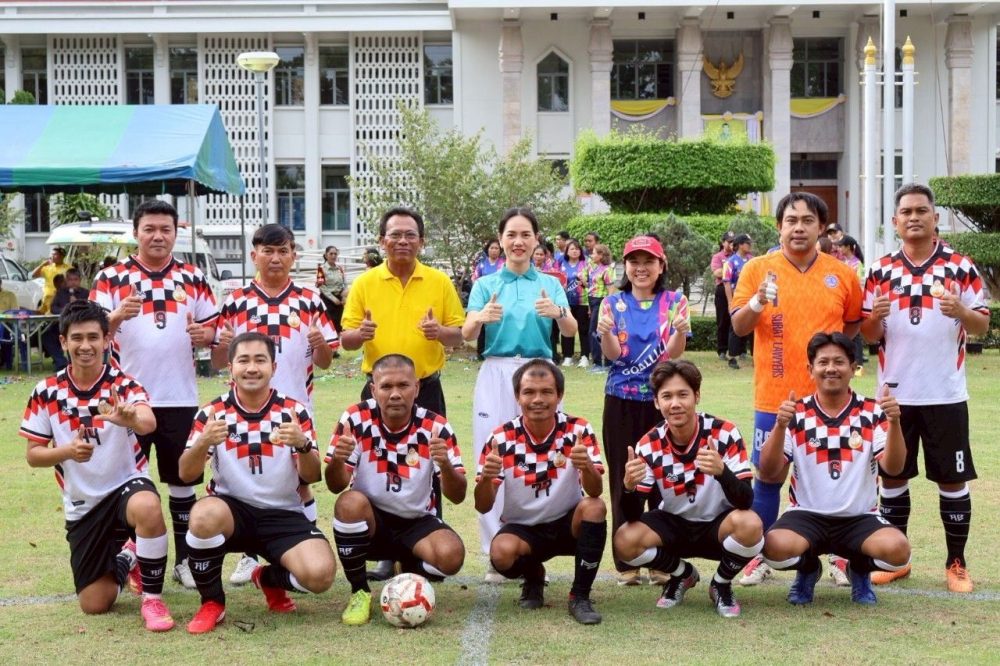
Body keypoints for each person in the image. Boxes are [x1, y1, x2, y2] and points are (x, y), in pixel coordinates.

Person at [860, 183, 990, 593]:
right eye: (906, 212)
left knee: (952, 480)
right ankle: (895, 560)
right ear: (895, 221)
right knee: (891, 477)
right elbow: (867, 335)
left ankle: (956, 563)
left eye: (921, 211)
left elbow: (982, 326)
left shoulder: (959, 267)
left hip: (945, 394)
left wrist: (961, 310)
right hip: (894, 397)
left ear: (935, 218)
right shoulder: (880, 271)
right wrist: (874, 317)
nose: (914, 217)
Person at [729, 191, 863, 587]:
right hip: (774, 394)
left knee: (836, 476)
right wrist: (758, 302)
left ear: (821, 228)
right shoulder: (757, 269)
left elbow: (852, 324)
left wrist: (831, 361)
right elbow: (739, 326)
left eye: (807, 220)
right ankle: (760, 555)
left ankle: (841, 556)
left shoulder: (842, 274)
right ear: (779, 226)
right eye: (791, 220)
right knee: (769, 474)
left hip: (830, 400)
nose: (799, 227)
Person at [19, 300, 174, 631]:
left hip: (125, 485)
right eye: (77, 338)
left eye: (93, 337)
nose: (85, 346)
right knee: (94, 604)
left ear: (106, 340)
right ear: (63, 342)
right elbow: (34, 454)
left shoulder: (122, 384)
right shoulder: (46, 391)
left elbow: (148, 421)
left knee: (147, 505)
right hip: (84, 503)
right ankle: (128, 557)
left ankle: (152, 598)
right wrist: (68, 451)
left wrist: (131, 418)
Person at [90, 199, 218, 589]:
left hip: (180, 397)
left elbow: (214, 331)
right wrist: (115, 317)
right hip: (128, 402)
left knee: (182, 481)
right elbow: (90, 335)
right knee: (126, 483)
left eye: (165, 229)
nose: (157, 236)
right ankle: (125, 557)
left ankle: (185, 562)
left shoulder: (193, 277)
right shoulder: (111, 277)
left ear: (176, 233)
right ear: (136, 232)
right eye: (149, 229)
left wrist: (205, 335)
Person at [178, 332, 334, 634]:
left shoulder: (293, 411)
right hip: (231, 512)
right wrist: (203, 443)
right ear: (231, 368)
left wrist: (302, 445)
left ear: (273, 367)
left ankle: (266, 578)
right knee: (203, 515)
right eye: (244, 361)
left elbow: (312, 476)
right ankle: (212, 602)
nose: (251, 368)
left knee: (320, 576)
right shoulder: (212, 413)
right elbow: (186, 474)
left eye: (260, 360)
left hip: (283, 513)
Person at [340, 206, 465, 579]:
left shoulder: (438, 281)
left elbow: (459, 335)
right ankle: (384, 552)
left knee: (429, 466)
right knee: (374, 467)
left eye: (410, 234)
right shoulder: (365, 283)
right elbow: (345, 339)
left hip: (425, 387)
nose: (402, 241)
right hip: (378, 392)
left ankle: (422, 548)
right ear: (382, 241)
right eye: (394, 234)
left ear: (421, 241)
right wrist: (360, 335)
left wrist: (439, 333)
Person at [212, 223, 339, 584]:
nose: (275, 258)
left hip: (295, 410)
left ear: (293, 256)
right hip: (244, 411)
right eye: (267, 251)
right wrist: (223, 344)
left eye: (283, 251)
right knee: (247, 480)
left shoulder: (310, 299)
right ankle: (249, 556)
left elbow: (326, 362)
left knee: (299, 480)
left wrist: (320, 344)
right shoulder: (236, 301)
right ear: (254, 255)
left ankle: (303, 542)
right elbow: (219, 362)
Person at [462, 207, 576, 582]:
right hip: (496, 370)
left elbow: (571, 329)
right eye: (511, 234)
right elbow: (466, 333)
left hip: (539, 372)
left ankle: (535, 546)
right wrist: (480, 318)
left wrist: (557, 311)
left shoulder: (550, 283)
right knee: (492, 457)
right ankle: (495, 549)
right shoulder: (485, 284)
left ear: (536, 239)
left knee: (542, 455)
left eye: (526, 234)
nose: (518, 241)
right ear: (500, 239)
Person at [758, 332, 911, 606]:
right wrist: (779, 426)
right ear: (810, 369)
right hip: (806, 515)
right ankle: (808, 568)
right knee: (771, 548)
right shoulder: (796, 413)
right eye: (823, 362)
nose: (831, 368)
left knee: (898, 551)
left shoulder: (872, 411)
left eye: (839, 362)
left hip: (859, 517)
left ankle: (859, 568)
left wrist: (895, 423)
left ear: (853, 368)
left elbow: (894, 467)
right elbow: (768, 472)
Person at [325, 354, 467, 625]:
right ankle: (359, 592)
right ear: (373, 389)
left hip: (416, 521)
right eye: (386, 386)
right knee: (348, 502)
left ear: (417, 388)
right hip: (372, 521)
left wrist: (445, 465)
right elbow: (335, 485)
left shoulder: (436, 426)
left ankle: (409, 565)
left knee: (451, 556)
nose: (395, 394)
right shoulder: (355, 418)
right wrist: (338, 460)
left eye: (403, 385)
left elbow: (458, 496)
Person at [614, 360, 761, 618]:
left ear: (697, 396)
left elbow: (745, 500)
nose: (675, 404)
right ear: (656, 402)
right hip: (675, 525)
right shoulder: (648, 444)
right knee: (625, 540)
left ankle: (721, 583)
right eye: (667, 396)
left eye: (683, 394)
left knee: (750, 524)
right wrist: (628, 488)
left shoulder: (724, 433)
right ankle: (683, 575)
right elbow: (633, 515)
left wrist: (722, 473)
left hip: (717, 526)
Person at [474, 359, 607, 625]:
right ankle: (533, 576)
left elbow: (595, 490)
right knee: (501, 553)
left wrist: (587, 466)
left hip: (567, 523)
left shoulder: (578, 429)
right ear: (517, 397)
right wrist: (487, 478)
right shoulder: (500, 438)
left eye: (546, 392)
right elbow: (483, 506)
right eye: (529, 392)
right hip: (524, 528)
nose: (538, 399)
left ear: (559, 395)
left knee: (595, 507)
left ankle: (580, 596)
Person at [595, 234, 690, 585]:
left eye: (648, 261)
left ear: (661, 265)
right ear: (625, 266)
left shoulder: (675, 301)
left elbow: (674, 354)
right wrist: (606, 333)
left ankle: (661, 560)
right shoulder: (612, 303)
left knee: (665, 478)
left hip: (663, 403)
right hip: (620, 401)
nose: (641, 268)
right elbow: (612, 355)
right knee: (625, 478)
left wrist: (679, 332)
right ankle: (627, 560)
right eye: (634, 261)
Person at [835, 235, 867, 375]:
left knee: (856, 335)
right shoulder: (843, 262)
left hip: (855, 300)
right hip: (845, 299)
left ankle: (859, 364)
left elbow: (858, 283)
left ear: (848, 247)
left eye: (841, 246)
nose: (839, 248)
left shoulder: (857, 264)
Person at [43, 268, 85, 371]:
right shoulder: (61, 293)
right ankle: (61, 363)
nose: (73, 282)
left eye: (75, 279)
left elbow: (90, 308)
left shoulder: (85, 293)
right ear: (66, 281)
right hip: (61, 325)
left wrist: (76, 303)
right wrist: (67, 308)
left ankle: (75, 363)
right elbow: (53, 308)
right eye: (70, 280)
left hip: (80, 326)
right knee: (46, 335)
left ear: (79, 280)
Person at [557, 239, 590, 368]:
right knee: (566, 329)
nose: (575, 251)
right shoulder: (561, 263)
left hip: (583, 301)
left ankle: (585, 356)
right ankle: (567, 356)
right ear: (567, 251)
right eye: (572, 249)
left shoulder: (586, 263)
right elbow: (557, 280)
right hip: (565, 302)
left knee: (583, 329)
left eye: (577, 249)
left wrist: (584, 282)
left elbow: (592, 283)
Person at [722, 234, 754, 370]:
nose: (750, 245)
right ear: (740, 245)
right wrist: (730, 302)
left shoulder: (753, 261)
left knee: (754, 327)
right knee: (735, 327)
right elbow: (727, 283)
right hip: (738, 299)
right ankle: (733, 357)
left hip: (752, 300)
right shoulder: (730, 262)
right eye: (747, 243)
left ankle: (755, 356)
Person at [471, 239, 506, 358]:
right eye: (492, 248)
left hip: (500, 299)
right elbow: (475, 279)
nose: (494, 250)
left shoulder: (504, 264)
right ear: (487, 249)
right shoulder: (481, 264)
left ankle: (498, 350)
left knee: (498, 325)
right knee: (482, 325)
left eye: (497, 248)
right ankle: (481, 352)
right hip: (484, 300)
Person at [585, 243, 616, 370]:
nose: (591, 255)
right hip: (592, 301)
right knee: (594, 331)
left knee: (596, 331)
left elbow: (611, 289)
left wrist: (608, 306)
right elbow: (590, 287)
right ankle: (600, 362)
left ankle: (601, 363)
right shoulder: (593, 268)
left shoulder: (607, 269)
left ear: (601, 255)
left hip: (601, 302)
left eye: (594, 253)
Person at [710, 232, 736, 361]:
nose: (731, 244)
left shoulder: (738, 256)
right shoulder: (718, 256)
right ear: (723, 242)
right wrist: (733, 269)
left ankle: (737, 350)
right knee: (722, 321)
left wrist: (728, 270)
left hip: (737, 289)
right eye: (729, 241)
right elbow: (717, 273)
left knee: (737, 320)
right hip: (722, 290)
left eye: (733, 241)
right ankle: (722, 350)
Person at [317, 245, 347, 332]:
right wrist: (333, 299)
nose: (333, 256)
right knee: (329, 325)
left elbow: (345, 283)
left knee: (340, 325)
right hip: (327, 300)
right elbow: (321, 286)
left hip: (339, 300)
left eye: (335, 254)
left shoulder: (340, 268)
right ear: (326, 255)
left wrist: (344, 296)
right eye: (331, 254)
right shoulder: (321, 269)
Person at [32, 246, 71, 313]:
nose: (52, 256)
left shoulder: (68, 268)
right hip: (47, 299)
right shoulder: (47, 268)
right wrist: (43, 264)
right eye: (52, 254)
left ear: (62, 256)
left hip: (60, 300)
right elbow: (34, 275)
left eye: (55, 254)